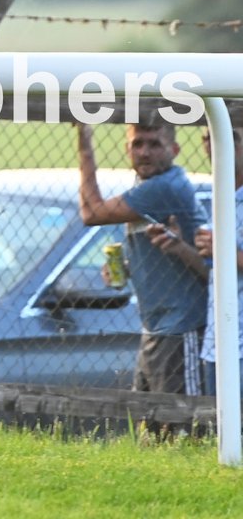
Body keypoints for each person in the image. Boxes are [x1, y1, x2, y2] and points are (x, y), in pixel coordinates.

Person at [76, 119, 209, 394]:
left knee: (184, 428)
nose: (145, 152)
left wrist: (85, 145)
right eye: (138, 144)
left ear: (174, 149)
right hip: (156, 328)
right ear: (127, 149)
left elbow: (91, 213)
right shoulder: (145, 184)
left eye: (154, 144)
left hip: (182, 328)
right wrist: (126, 267)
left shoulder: (164, 187)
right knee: (147, 428)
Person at [185, 124, 243, 395]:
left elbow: (227, 256)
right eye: (210, 136)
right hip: (218, 342)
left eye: (232, 137)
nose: (217, 143)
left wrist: (224, 251)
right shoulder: (219, 195)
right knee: (217, 433)